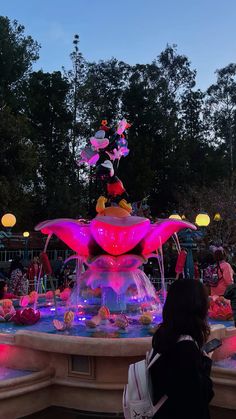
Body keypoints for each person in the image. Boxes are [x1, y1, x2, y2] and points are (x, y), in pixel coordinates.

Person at [150, 280, 214, 419]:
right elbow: (200, 397)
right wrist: (206, 362)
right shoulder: (186, 349)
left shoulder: (164, 336)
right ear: (197, 308)